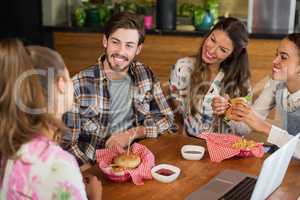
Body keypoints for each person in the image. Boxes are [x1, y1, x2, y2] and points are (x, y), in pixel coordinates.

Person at [63, 12, 174, 167]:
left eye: (129, 45)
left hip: (137, 164)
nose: (121, 51)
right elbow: (67, 146)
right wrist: (91, 171)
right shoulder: (77, 85)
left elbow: (166, 119)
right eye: (116, 42)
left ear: (138, 49)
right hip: (95, 171)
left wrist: (133, 133)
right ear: (105, 41)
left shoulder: (146, 74)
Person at [0, 39, 102, 199]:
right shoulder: (60, 165)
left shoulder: (9, 149)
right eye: (69, 77)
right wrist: (94, 196)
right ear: (61, 83)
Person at [169, 17, 251, 136]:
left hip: (225, 149)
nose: (211, 50)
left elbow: (245, 130)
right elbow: (178, 114)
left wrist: (228, 114)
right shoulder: (183, 68)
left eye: (222, 49)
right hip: (191, 147)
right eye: (212, 40)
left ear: (232, 55)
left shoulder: (240, 81)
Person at [227, 33, 300, 158]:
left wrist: (264, 127)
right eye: (276, 54)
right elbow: (245, 128)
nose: (274, 61)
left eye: (283, 57)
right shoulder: (276, 84)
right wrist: (228, 110)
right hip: (281, 160)